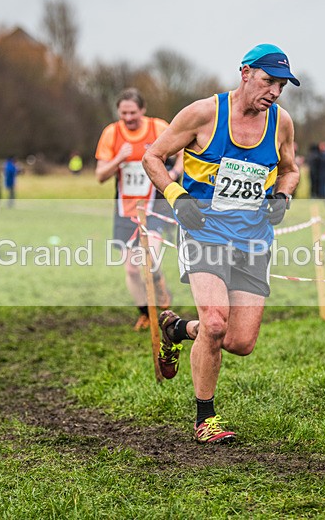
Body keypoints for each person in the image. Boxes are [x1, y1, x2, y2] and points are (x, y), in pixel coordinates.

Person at [142, 43, 300, 444]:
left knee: (239, 342)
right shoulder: (203, 114)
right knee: (215, 323)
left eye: (281, 85)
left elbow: (291, 169)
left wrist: (283, 195)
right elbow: (153, 158)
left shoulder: (281, 123)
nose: (275, 92)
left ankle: (177, 329)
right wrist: (178, 198)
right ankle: (204, 419)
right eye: (269, 81)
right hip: (205, 231)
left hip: (253, 240)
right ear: (245, 72)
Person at [94, 88, 175, 330]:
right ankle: (145, 313)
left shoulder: (158, 128)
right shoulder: (111, 133)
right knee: (131, 269)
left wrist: (174, 173)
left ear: (143, 109)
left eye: (132, 113)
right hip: (125, 210)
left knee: (149, 260)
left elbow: (182, 153)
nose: (128, 118)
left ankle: (159, 285)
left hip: (155, 207)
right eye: (123, 113)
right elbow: (100, 175)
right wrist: (119, 158)